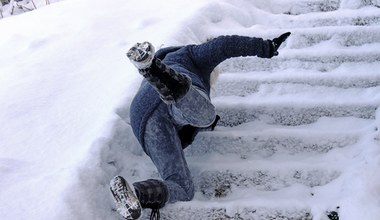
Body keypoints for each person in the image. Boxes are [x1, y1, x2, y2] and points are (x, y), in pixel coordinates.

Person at [110, 33, 291, 220]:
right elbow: (224, 45)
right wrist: (266, 46)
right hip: (170, 96)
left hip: (143, 116)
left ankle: (136, 194)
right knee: (205, 115)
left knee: (182, 187)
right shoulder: (189, 54)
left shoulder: (178, 65)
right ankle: (173, 84)